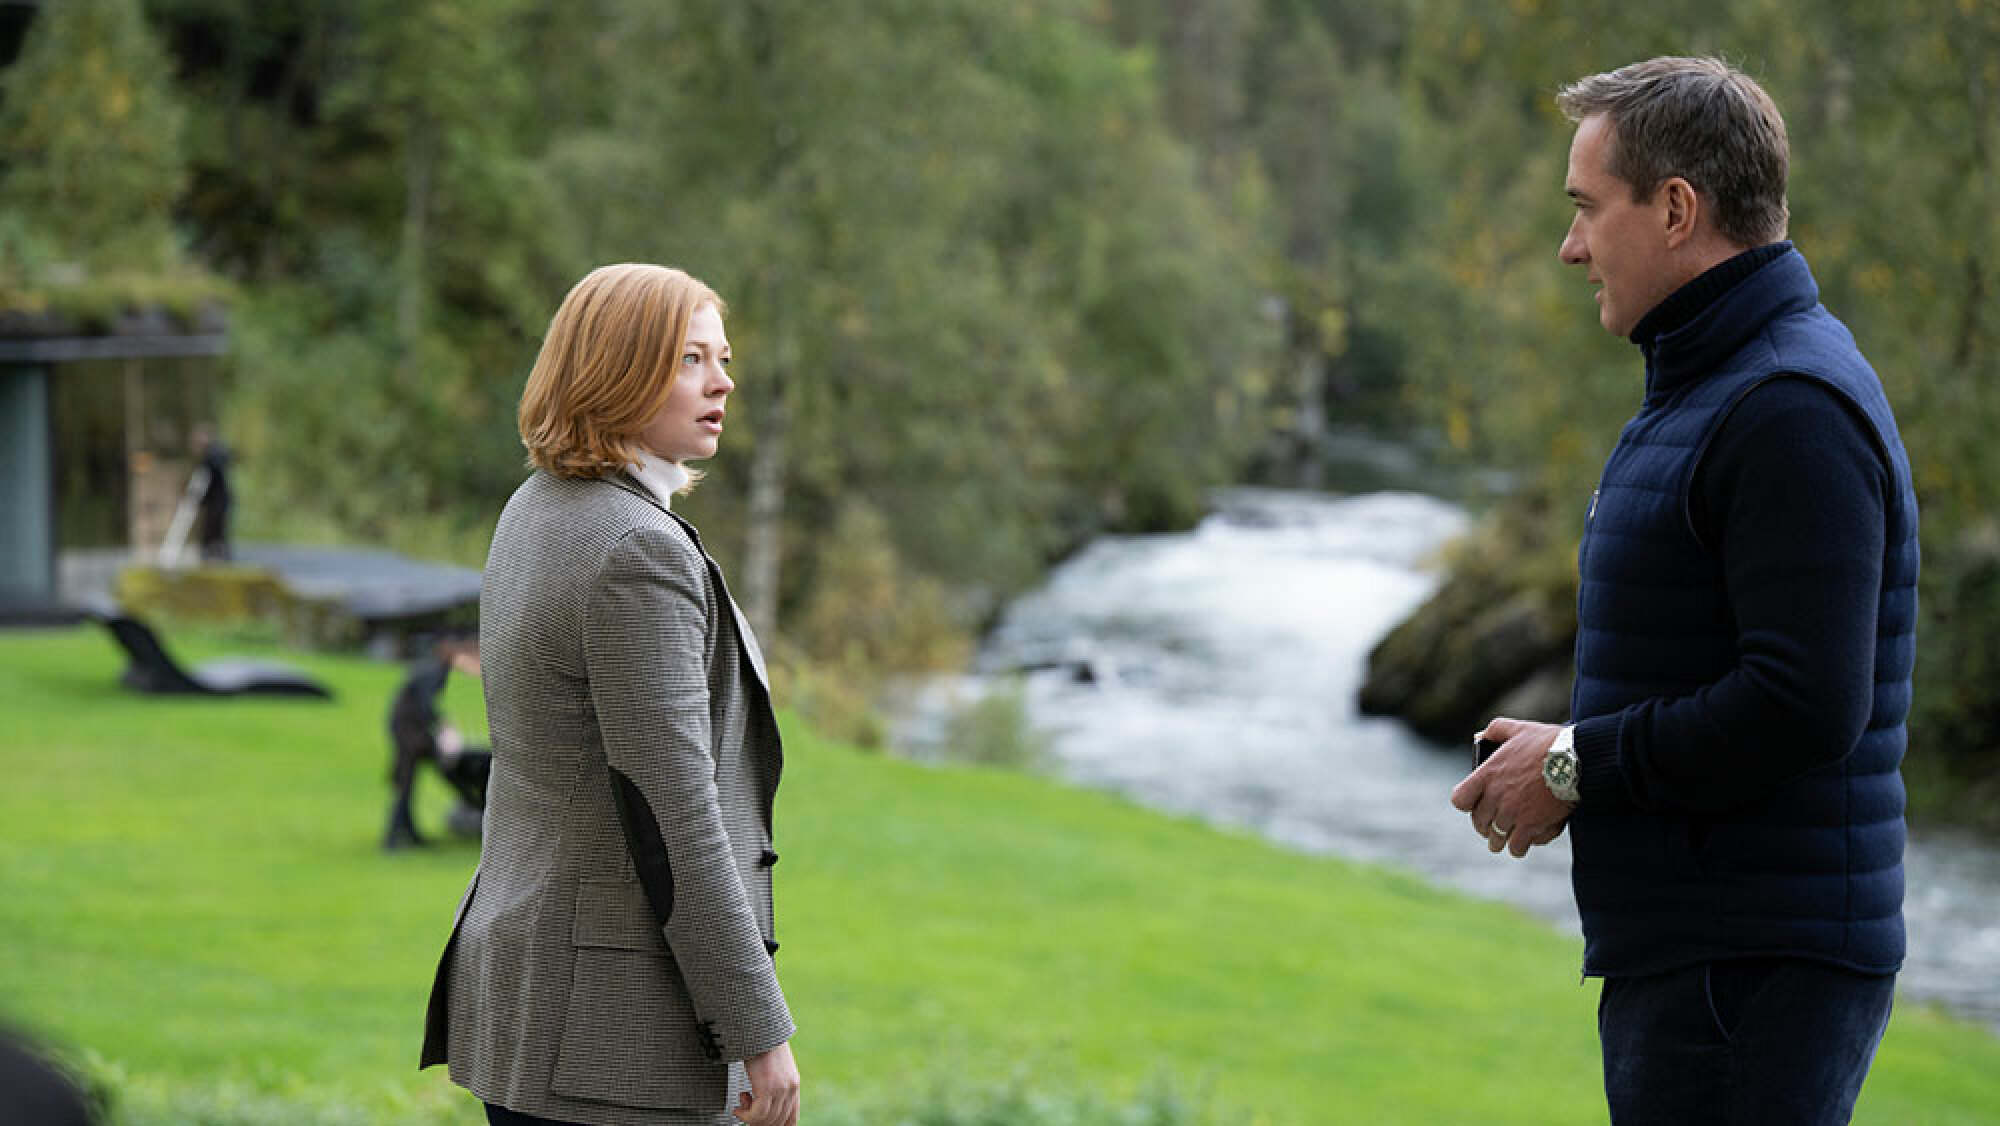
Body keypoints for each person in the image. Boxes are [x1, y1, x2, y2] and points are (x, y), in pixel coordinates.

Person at [1449, 57, 1918, 1124]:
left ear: (1673, 209)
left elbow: (1803, 700)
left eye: (1584, 209)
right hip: (1712, 953)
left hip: (1747, 967)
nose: (1569, 246)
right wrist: (1576, 751)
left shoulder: (1786, 404)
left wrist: (1573, 762)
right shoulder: (1719, 383)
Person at [421, 264, 800, 1126]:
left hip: (527, 995)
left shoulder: (539, 506)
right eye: (690, 359)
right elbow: (674, 813)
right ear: (615, 371)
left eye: (724, 356)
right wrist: (756, 1026)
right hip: (609, 1033)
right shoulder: (635, 551)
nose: (724, 381)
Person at [383, 636, 491, 851]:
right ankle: (393, 839)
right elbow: (424, 707)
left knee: (407, 783)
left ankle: (409, 833)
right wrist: (442, 730)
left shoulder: (433, 669)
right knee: (405, 784)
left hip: (409, 731)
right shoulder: (434, 672)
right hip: (409, 734)